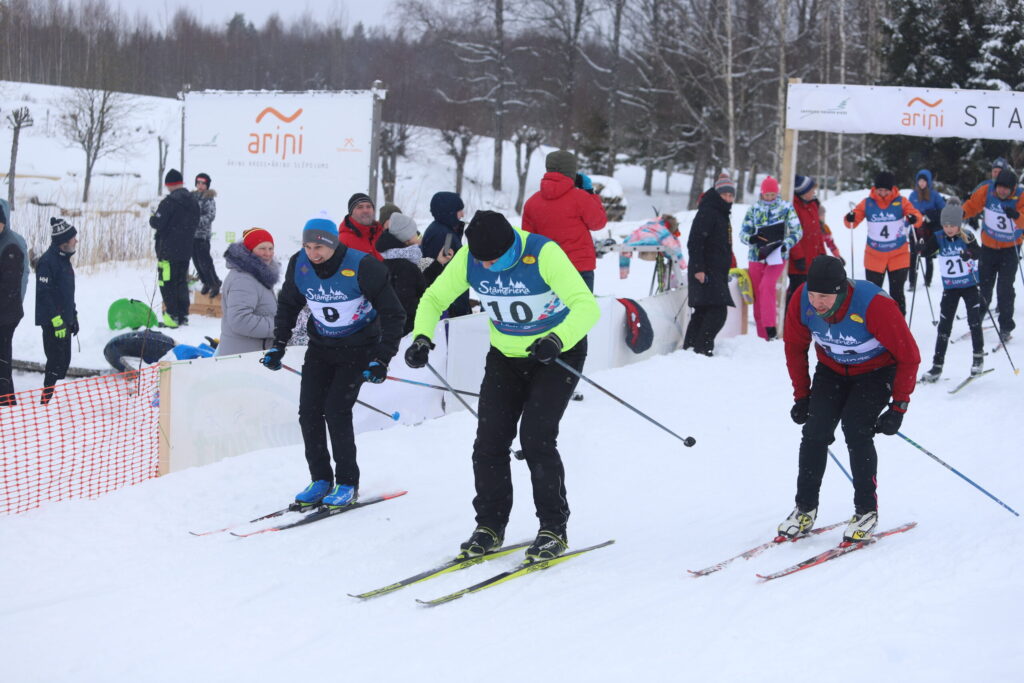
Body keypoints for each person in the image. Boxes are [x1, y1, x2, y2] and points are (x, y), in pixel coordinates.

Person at [406, 210, 599, 562]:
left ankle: (553, 528)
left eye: (495, 259)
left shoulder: (542, 253)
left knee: (537, 438)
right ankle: (490, 526)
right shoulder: (471, 258)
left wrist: (558, 338)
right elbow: (434, 298)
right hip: (506, 357)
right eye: (483, 260)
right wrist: (422, 336)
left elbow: (586, 306)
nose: (489, 266)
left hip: (556, 355)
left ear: (511, 244)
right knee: (489, 442)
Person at [261, 213, 405, 508]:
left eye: (319, 248)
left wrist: (382, 358)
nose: (313, 254)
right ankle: (321, 479)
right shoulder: (299, 264)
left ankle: (348, 482)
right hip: (321, 347)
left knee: (336, 411)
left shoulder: (363, 266)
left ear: (332, 244)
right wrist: (278, 345)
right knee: (309, 412)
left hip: (359, 347)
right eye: (308, 247)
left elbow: (394, 314)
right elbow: (288, 304)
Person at [779, 255, 920, 543]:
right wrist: (802, 395)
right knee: (814, 432)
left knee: (856, 429)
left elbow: (909, 356)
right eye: (813, 295)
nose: (817, 303)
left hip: (875, 371)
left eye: (825, 297)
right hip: (831, 370)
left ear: (842, 291)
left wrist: (899, 406)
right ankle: (804, 508)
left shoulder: (875, 305)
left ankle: (866, 510)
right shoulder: (801, 300)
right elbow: (794, 347)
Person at [522, 150, 608, 292]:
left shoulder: (532, 202)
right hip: (579, 268)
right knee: (582, 311)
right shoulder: (580, 198)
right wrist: (589, 192)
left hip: (547, 268)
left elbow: (528, 240)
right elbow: (598, 223)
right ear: (572, 171)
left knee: (550, 313)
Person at [919, 200, 984, 383]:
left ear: (959, 224)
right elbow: (926, 252)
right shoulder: (938, 237)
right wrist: (920, 249)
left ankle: (978, 358)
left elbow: (978, 253)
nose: (949, 229)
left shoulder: (967, 236)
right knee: (944, 328)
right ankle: (937, 365)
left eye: (953, 225)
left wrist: (969, 254)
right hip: (951, 288)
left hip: (970, 286)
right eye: (946, 225)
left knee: (974, 322)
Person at [843, 170, 923, 315]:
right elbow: (852, 222)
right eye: (880, 190)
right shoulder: (868, 203)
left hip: (898, 255)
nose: (883, 193)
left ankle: (899, 326)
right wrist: (850, 218)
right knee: (873, 294)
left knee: (897, 294)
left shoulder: (901, 201)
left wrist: (913, 218)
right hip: (874, 255)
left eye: (886, 190)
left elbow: (916, 217)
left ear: (892, 188)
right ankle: (873, 324)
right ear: (875, 188)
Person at [962, 168, 1024, 343]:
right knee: (984, 288)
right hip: (988, 248)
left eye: (1006, 188)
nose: (1002, 191)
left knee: (1005, 290)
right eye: (1000, 187)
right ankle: (977, 320)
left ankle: (1005, 327)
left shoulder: (1020, 197)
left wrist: (1017, 216)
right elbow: (972, 205)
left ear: (1012, 188)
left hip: (1010, 250)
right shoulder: (987, 191)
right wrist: (961, 214)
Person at [739, 176, 802, 340]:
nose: (770, 197)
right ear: (762, 193)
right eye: (767, 195)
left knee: (766, 287)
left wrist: (785, 244)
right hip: (756, 256)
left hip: (777, 255)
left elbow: (797, 231)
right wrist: (751, 239)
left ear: (777, 193)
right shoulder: (754, 209)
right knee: (758, 293)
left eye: (773, 194)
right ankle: (762, 335)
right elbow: (743, 233)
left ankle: (770, 328)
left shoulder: (786, 207)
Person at [683, 173, 736, 356]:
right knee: (717, 311)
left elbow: (723, 244)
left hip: (715, 270)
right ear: (717, 193)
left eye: (731, 195)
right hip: (705, 270)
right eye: (725, 195)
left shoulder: (721, 213)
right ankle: (702, 348)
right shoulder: (709, 211)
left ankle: (691, 349)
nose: (728, 199)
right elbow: (695, 241)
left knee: (703, 311)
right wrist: (698, 268)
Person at [35, 217, 80, 405]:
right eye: (73, 238)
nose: (76, 241)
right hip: (53, 322)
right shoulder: (47, 262)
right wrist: (56, 320)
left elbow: (66, 293)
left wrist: (73, 315)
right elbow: (44, 295)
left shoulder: (64, 259)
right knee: (55, 361)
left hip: (65, 319)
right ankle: (45, 402)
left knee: (63, 363)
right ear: (63, 242)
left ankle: (53, 402)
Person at [150, 169, 200, 328]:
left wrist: (153, 216)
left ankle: (171, 317)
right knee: (181, 282)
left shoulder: (168, 202)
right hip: (185, 251)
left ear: (168, 184)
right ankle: (183, 316)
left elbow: (157, 223)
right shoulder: (193, 201)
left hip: (167, 252)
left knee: (167, 282)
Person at [217, 228, 279, 356]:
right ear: (249, 250)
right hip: (242, 357)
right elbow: (240, 320)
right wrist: (279, 326)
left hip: (250, 355)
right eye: (262, 248)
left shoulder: (258, 275)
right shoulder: (243, 279)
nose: (267, 253)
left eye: (270, 248)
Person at [421, 191, 471, 317]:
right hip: (449, 305)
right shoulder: (441, 235)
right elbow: (437, 271)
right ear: (449, 212)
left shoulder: (446, 231)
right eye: (459, 210)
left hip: (452, 301)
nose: (462, 214)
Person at [376, 213, 426, 336]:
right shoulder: (405, 267)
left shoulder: (389, 258)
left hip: (391, 328)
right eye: (415, 233)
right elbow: (406, 304)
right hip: (407, 332)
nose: (419, 235)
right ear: (407, 239)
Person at [0, 200, 29, 405]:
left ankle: (6, 400)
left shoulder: (11, 245)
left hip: (7, 311)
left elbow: (9, 287)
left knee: (2, 355)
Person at [788, 175, 828, 304]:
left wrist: (822, 253)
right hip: (798, 264)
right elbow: (792, 233)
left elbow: (817, 233)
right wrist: (799, 257)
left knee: (810, 295)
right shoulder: (793, 207)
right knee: (796, 295)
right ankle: (788, 320)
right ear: (803, 192)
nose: (814, 193)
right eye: (811, 190)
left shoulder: (813, 205)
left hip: (813, 260)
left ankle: (806, 321)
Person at [618, 214, 686, 290]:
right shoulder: (662, 230)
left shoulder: (646, 226)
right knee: (669, 252)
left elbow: (626, 243)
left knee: (626, 248)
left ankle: (668, 279)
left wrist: (623, 271)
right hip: (650, 242)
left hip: (640, 241)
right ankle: (671, 280)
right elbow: (673, 246)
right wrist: (682, 264)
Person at [907, 169, 946, 290]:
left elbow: (943, 210)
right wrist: (907, 221)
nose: (922, 183)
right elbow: (908, 210)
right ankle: (912, 282)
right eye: (920, 181)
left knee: (928, 255)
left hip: (929, 229)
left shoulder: (934, 195)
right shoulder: (913, 195)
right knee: (913, 256)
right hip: (916, 228)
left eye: (924, 181)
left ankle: (928, 280)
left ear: (928, 182)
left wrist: (931, 215)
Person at [191, 172, 222, 298]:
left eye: (203, 183)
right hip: (191, 235)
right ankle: (206, 282)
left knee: (205, 262)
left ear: (207, 185)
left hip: (202, 236)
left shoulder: (209, 198)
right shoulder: (192, 197)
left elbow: (210, 216)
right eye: (198, 182)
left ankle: (215, 283)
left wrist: (195, 221)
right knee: (196, 262)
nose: (200, 185)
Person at [339, 193, 384, 261]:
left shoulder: (383, 235)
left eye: (368, 206)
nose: (365, 211)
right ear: (351, 213)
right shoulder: (343, 240)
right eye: (360, 207)